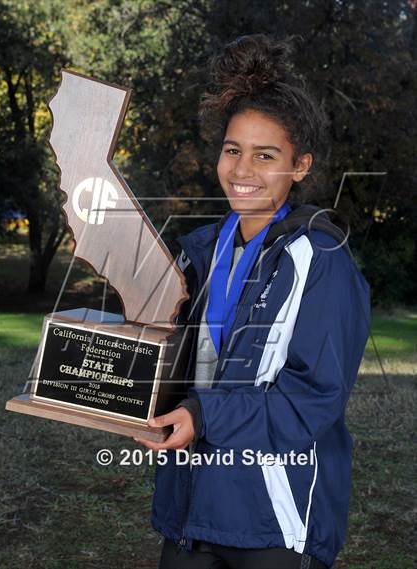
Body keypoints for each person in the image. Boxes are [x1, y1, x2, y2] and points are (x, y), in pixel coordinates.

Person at [134, 34, 371, 569]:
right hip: (192, 505)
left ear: (300, 165)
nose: (242, 171)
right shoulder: (198, 252)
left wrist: (202, 413)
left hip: (274, 521)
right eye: (232, 150)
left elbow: (309, 401)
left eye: (266, 156)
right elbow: (180, 364)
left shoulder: (321, 260)